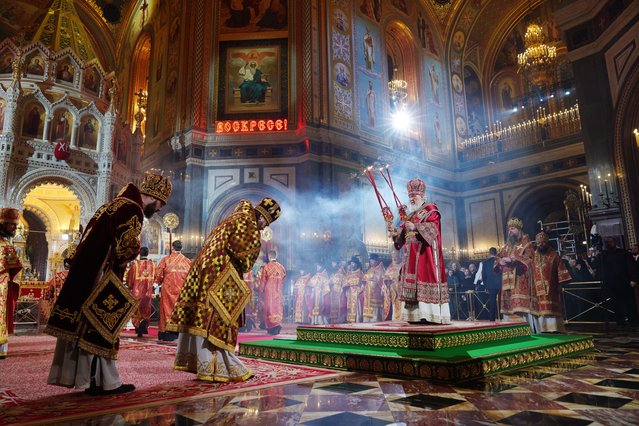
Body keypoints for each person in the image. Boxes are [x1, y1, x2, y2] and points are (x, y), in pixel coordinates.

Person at [45, 173, 172, 395]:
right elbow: (125, 249)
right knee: (102, 328)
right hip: (102, 276)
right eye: (161, 203)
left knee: (85, 326)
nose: (160, 208)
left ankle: (93, 379)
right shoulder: (132, 209)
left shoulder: (112, 204)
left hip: (86, 273)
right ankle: (103, 382)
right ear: (153, 196)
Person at [167, 197, 281, 382]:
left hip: (203, 269)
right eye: (264, 224)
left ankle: (203, 364)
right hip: (219, 272)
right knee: (219, 318)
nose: (261, 228)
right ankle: (218, 366)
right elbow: (246, 258)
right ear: (261, 217)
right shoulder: (247, 221)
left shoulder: (232, 218)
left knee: (201, 316)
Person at [391, 178, 450, 324]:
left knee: (424, 278)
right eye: (410, 196)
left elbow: (434, 229)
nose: (411, 198)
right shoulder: (409, 215)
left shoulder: (431, 209)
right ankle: (414, 316)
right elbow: (401, 241)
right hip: (410, 257)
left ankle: (429, 315)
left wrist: (416, 227)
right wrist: (395, 233)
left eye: (414, 196)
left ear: (422, 195)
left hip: (425, 255)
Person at [495, 217, 535, 325]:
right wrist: (500, 262)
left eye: (512, 229)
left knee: (520, 307)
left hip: (519, 279)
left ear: (519, 229)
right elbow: (497, 257)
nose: (510, 231)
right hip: (506, 281)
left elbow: (530, 258)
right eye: (509, 229)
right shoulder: (508, 245)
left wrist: (513, 260)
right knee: (508, 308)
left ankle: (526, 328)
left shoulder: (526, 242)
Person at [530, 232, 572, 333]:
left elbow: (561, 270)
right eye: (539, 243)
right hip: (537, 289)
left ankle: (555, 328)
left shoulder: (554, 255)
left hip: (552, 288)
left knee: (552, 310)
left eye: (543, 243)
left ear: (547, 243)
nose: (541, 245)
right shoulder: (533, 257)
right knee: (540, 311)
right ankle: (542, 329)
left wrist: (560, 284)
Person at [597, 237, 638, 329]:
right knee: (616, 305)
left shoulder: (624, 253)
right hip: (612, 284)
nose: (609, 244)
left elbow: (631, 266)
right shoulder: (604, 255)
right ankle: (620, 322)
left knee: (629, 304)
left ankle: (633, 322)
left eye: (610, 242)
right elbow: (602, 270)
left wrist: (633, 279)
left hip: (625, 282)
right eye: (607, 242)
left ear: (614, 242)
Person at [155, 240, 191, 341]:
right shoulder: (187, 261)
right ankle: (179, 331)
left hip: (168, 290)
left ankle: (167, 332)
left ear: (172, 247)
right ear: (181, 248)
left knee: (167, 310)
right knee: (179, 311)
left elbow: (158, 276)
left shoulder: (166, 260)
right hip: (182, 292)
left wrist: (157, 283)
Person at [0, 208, 23, 359]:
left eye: (16, 225)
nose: (15, 228)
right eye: (12, 225)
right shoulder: (5, 245)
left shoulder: (6, 244)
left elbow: (15, 265)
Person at [125, 247, 156, 337]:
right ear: (147, 253)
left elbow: (130, 279)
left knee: (137, 310)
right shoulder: (152, 265)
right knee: (146, 310)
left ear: (140, 253)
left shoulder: (135, 265)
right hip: (148, 292)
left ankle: (138, 328)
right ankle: (144, 326)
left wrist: (130, 286)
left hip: (137, 292)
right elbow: (156, 277)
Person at [259, 249, 286, 335]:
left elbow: (263, 280)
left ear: (269, 256)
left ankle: (271, 328)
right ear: (275, 256)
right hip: (278, 290)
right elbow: (283, 279)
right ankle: (277, 326)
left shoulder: (267, 267)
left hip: (269, 291)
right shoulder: (282, 267)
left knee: (269, 308)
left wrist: (260, 290)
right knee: (277, 308)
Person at [479, 247, 502, 321]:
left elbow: (484, 275)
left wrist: (486, 286)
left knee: (492, 302)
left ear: (489, 253)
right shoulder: (499, 260)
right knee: (502, 301)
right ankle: (502, 317)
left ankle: (492, 318)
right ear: (496, 252)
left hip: (490, 285)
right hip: (500, 284)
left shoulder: (485, 263)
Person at [362, 253, 385, 322]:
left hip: (376, 294)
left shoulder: (380, 269)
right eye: (370, 260)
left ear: (376, 261)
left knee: (375, 312)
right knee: (368, 310)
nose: (371, 262)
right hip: (368, 293)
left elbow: (382, 280)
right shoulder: (369, 270)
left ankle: (375, 322)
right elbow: (364, 278)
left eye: (372, 260)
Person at [308, 261, 330, 325]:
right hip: (315, 293)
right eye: (317, 266)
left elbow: (327, 287)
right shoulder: (315, 275)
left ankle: (320, 320)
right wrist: (312, 291)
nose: (317, 267)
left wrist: (323, 292)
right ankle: (314, 320)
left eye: (319, 266)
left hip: (321, 294)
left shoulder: (325, 275)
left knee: (321, 306)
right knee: (314, 306)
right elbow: (310, 284)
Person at [344, 256, 364, 323]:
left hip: (356, 293)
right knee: (349, 307)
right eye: (351, 263)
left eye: (353, 263)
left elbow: (364, 284)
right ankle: (350, 321)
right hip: (350, 293)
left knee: (357, 308)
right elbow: (345, 284)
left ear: (357, 264)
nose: (352, 265)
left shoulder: (360, 273)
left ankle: (357, 320)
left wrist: (360, 291)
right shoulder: (348, 274)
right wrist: (346, 291)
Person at [384, 251, 402, 320]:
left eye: (396, 257)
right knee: (394, 306)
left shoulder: (402, 265)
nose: (395, 258)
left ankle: (401, 319)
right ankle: (394, 318)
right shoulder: (389, 267)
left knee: (400, 305)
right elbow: (386, 277)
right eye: (393, 257)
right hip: (392, 290)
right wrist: (388, 281)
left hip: (400, 289)